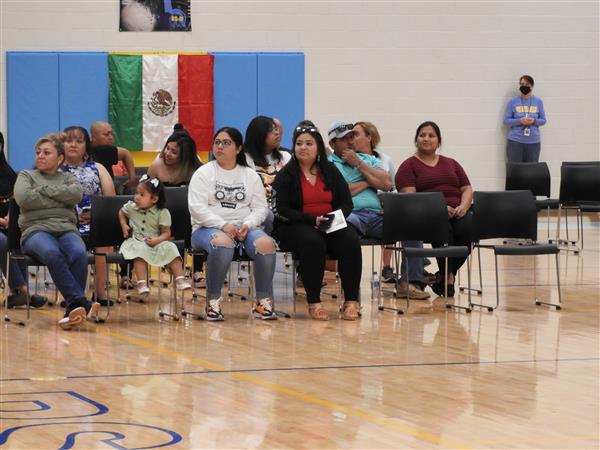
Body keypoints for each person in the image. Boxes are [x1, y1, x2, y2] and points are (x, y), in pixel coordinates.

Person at [328, 121, 430, 300]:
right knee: (345, 231)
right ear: (332, 144)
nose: (350, 142)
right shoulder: (328, 165)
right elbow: (340, 193)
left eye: (352, 137)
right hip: (349, 215)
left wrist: (359, 164)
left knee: (412, 226)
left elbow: (386, 183)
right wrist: (369, 181)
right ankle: (350, 289)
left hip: (377, 216)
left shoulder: (367, 159)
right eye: (344, 139)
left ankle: (410, 283)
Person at [272, 123, 362, 320]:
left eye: (309, 143)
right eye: (299, 143)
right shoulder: (285, 175)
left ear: (318, 147)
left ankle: (351, 301)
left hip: (328, 223)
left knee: (350, 239)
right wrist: (312, 220)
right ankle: (314, 302)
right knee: (312, 241)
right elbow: (281, 210)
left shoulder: (330, 171)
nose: (303, 147)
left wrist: (333, 219)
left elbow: (346, 202)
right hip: (294, 226)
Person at [188, 127, 277, 321]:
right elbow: (197, 209)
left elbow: (261, 208)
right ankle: (212, 302)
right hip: (206, 229)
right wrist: (223, 226)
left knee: (267, 244)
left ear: (238, 149)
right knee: (222, 244)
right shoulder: (203, 173)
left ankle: (262, 302)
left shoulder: (250, 175)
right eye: (217, 142)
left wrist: (248, 224)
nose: (220, 146)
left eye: (226, 142)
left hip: (243, 227)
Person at [14, 132, 100, 329]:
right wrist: (59, 197)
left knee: (79, 253)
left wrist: (42, 191)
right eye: (38, 152)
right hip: (35, 230)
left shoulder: (68, 177)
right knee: (52, 253)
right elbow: (24, 198)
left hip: (66, 228)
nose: (40, 156)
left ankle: (73, 312)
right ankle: (79, 302)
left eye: (46, 152)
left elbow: (76, 195)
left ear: (60, 158)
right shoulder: (26, 175)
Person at [395, 121, 473, 297]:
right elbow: (411, 198)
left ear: (439, 141)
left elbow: (467, 188)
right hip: (428, 215)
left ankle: (444, 275)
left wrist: (463, 206)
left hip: (457, 212)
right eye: (422, 135)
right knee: (445, 229)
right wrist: (438, 208)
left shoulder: (451, 163)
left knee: (471, 226)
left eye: (431, 135)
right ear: (416, 141)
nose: (426, 139)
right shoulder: (408, 166)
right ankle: (448, 279)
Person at [62, 126, 116, 305]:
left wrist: (96, 215)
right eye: (69, 140)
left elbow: (110, 201)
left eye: (79, 141)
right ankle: (73, 295)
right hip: (67, 223)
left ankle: (100, 292)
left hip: (94, 221)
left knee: (104, 237)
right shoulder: (55, 170)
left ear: (87, 145)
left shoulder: (98, 168)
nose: (73, 145)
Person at [148, 123, 204, 286]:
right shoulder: (157, 165)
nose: (168, 153)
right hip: (161, 213)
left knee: (197, 223)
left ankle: (197, 270)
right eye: (167, 148)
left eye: (174, 152)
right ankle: (175, 266)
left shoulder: (196, 168)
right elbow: (145, 192)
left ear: (184, 156)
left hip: (188, 214)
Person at [119, 175, 192, 296]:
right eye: (136, 193)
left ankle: (180, 279)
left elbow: (166, 233)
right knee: (139, 251)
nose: (136, 197)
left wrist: (157, 240)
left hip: (155, 241)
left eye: (142, 195)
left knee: (171, 247)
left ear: (154, 199)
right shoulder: (132, 207)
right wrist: (123, 225)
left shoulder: (162, 212)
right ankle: (142, 283)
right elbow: (121, 211)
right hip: (136, 241)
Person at [0, 131, 47, 309]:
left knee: (16, 237)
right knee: (2, 241)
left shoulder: (9, 173)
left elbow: (18, 201)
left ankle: (17, 294)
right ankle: (23, 290)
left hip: (10, 224)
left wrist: (11, 218)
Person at [244, 116, 291, 234]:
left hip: (282, 209)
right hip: (255, 210)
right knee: (267, 214)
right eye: (272, 131)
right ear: (259, 134)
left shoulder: (286, 157)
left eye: (277, 130)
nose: (277, 133)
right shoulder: (244, 159)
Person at [503, 75, 547, 162]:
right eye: (522, 84)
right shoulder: (513, 101)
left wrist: (534, 121)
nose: (524, 86)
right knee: (514, 170)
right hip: (515, 141)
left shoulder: (538, 101)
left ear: (532, 86)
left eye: (527, 84)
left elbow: (543, 120)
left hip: (533, 142)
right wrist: (520, 121)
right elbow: (506, 121)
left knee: (531, 171)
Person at [90, 121, 136, 185]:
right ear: (93, 137)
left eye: (111, 134)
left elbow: (126, 153)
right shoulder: (85, 150)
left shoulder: (108, 151)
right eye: (106, 134)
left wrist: (132, 178)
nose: (111, 137)